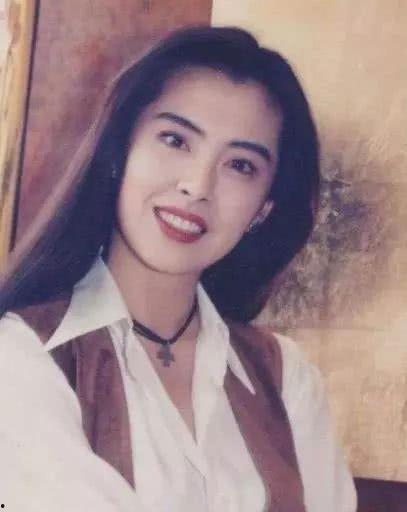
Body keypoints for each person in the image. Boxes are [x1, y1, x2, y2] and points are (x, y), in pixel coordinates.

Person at [0, 26, 356, 511]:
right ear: (119, 150)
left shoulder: (286, 378)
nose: (197, 185)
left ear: (263, 209)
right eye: (175, 140)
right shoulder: (22, 357)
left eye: (240, 165)